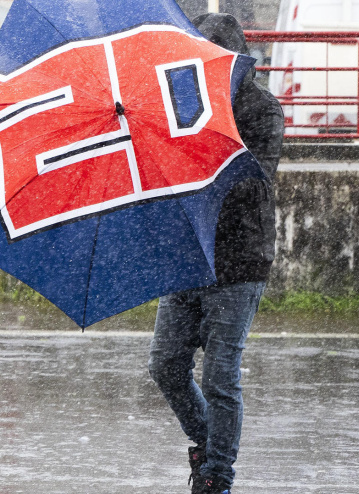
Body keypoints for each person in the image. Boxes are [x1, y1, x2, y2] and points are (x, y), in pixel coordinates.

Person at [147, 13, 284, 494]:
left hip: (240, 258)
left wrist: (206, 152)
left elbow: (254, 182)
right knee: (165, 365)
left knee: (221, 374)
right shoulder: (180, 106)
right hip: (186, 256)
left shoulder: (260, 109)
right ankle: (209, 446)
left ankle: (217, 476)